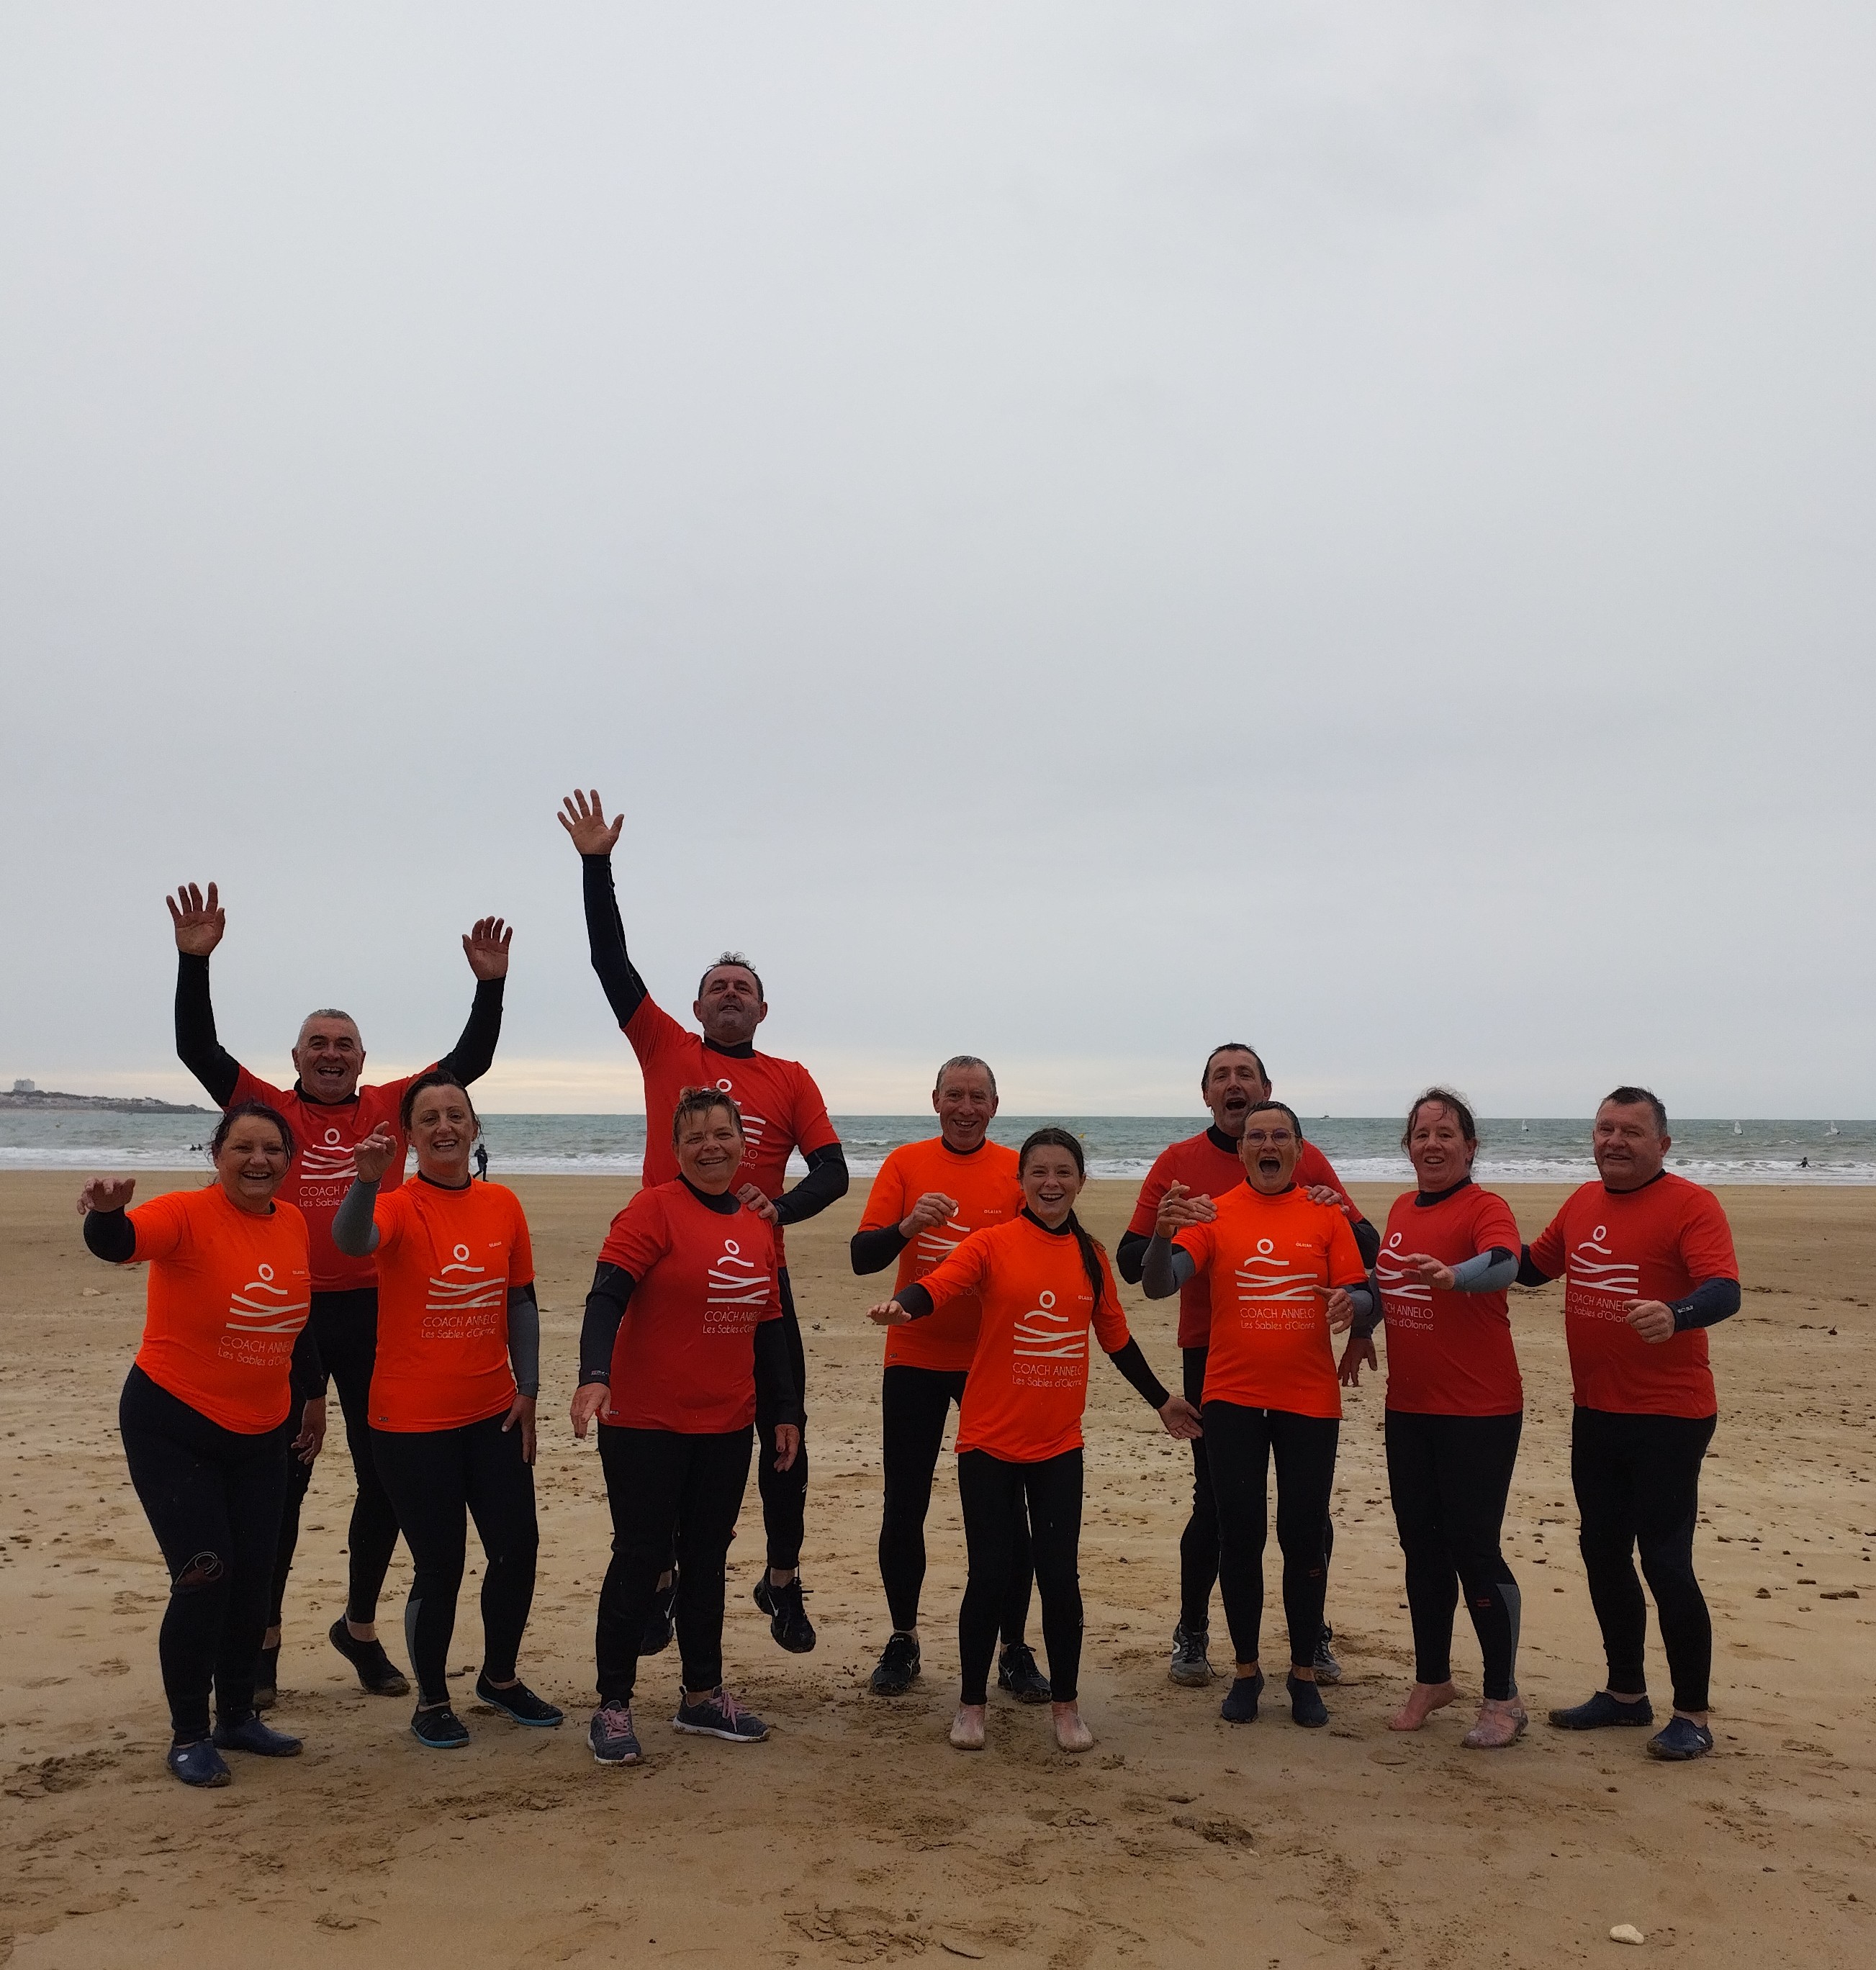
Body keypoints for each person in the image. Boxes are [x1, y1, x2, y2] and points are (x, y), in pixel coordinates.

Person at [167, 880, 511, 1706]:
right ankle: (261, 1644)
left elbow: (470, 1062)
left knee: (384, 1481)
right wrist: (193, 964)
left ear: (362, 1059)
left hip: (381, 1314)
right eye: (317, 1043)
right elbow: (195, 1048)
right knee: (279, 1488)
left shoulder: (394, 1104)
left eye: (344, 1044)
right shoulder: (267, 1107)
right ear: (295, 1059)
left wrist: (489, 983)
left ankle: (357, 1628)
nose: (330, 1053)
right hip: (285, 1317)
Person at [559, 789, 847, 1654]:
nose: (730, 995)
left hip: (758, 1269)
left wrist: (779, 1203)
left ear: (763, 1009)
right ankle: (655, 1574)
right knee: (669, 1434)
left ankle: (782, 1576)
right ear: (695, 1008)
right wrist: (595, 864)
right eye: (717, 986)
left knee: (784, 1424)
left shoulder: (790, 1077)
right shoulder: (664, 1049)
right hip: (667, 1267)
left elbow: (832, 1170)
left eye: (744, 988)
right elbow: (610, 961)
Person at [867, 1127, 1199, 1755]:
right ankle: (971, 1705)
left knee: (1060, 1577)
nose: (1051, 1183)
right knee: (989, 1572)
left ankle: (1066, 1707)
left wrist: (1162, 1400)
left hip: (1058, 1443)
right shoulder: (990, 1243)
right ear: (1021, 1183)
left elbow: (1116, 1339)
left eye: (1064, 1172)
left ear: (1080, 1180)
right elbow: (940, 1283)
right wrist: (904, 1305)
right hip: (989, 1438)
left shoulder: (1091, 1255)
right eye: (1039, 1173)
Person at [1115, 1043, 1376, 1688]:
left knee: (1307, 1512)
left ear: (1265, 1088)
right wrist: (1172, 1227)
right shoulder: (1178, 1162)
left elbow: (1363, 1246)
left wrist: (1329, 1203)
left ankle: (1309, 1634)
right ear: (1206, 1093)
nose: (1235, 1084)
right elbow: (1131, 1263)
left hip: (1295, 1353)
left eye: (1246, 1075)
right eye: (1221, 1076)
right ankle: (1194, 1631)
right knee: (1219, 1506)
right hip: (1212, 1349)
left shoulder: (1301, 1153)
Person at [78, 1103, 313, 1786]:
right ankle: (188, 1734)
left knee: (253, 1581)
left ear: (288, 1160)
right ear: (218, 1154)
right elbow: (122, 1243)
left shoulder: (294, 1223)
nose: (258, 1159)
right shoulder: (184, 1212)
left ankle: (236, 1715)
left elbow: (295, 1322)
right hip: (172, 1422)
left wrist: (310, 1396)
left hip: (261, 1430)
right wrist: (105, 1215)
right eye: (243, 1146)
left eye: (272, 1148)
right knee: (206, 1571)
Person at [331, 1071, 559, 1749]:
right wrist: (367, 1180)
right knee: (441, 1565)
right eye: (427, 1118)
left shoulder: (503, 1204)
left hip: (494, 1410)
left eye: (455, 1114)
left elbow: (519, 1300)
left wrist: (530, 1389)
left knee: (517, 1551)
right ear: (410, 1136)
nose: (443, 1127)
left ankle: (500, 1678)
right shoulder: (400, 1205)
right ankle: (431, 1699)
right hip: (410, 1423)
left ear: (474, 1126)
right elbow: (351, 1241)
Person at [574, 1089, 803, 1764]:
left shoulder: (760, 1226)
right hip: (645, 1420)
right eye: (696, 1136)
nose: (711, 1145)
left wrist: (782, 1411)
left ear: (743, 1143)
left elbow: (769, 1327)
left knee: (708, 1558)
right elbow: (606, 1293)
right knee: (641, 1556)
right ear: (677, 1151)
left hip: (726, 1422)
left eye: (722, 1133)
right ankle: (613, 1704)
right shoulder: (653, 1209)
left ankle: (702, 1695)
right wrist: (594, 1373)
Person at [1517, 1087, 1739, 1762]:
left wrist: (1678, 1313)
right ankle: (1624, 1694)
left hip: (1670, 1416)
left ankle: (1693, 1715)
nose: (1614, 1140)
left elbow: (1724, 1288)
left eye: (1631, 1131)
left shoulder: (1692, 1203)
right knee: (1602, 1551)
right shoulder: (1583, 1201)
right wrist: (1463, 1249)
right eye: (1605, 1128)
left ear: (1662, 1144)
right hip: (1598, 1410)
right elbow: (1531, 1267)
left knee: (1666, 1561)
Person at [851, 1056, 1047, 1702]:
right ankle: (903, 1636)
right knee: (904, 1504)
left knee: (1003, 1511)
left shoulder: (1017, 1172)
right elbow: (862, 1256)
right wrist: (908, 1226)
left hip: (993, 1359)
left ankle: (1014, 1648)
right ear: (935, 1099)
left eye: (978, 1097)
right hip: (914, 1354)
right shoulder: (906, 1163)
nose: (966, 1107)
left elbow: (1050, 1245)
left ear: (996, 1105)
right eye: (954, 1095)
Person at [1338, 1090, 1527, 1748]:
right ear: (1408, 1146)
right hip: (1410, 1407)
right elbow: (1387, 1285)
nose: (1433, 1143)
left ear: (1470, 1147)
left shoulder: (1485, 1208)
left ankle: (1503, 1697)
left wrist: (1455, 1277)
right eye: (1422, 1133)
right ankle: (1433, 1678)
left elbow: (1505, 1261)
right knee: (1421, 1546)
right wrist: (1361, 1318)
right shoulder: (1398, 1209)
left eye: (1447, 1133)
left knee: (1474, 1548)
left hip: (1480, 1408)